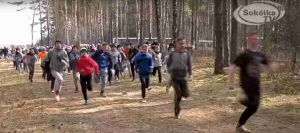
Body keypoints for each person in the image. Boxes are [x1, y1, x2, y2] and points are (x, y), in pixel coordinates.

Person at [228, 33, 278, 133]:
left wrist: (273, 67)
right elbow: (233, 67)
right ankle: (240, 120)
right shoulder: (244, 55)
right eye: (251, 40)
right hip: (246, 85)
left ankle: (240, 123)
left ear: (258, 41)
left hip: (256, 84)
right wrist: (231, 83)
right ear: (248, 41)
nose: (254, 41)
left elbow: (267, 66)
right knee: (253, 105)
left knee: (254, 107)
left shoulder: (260, 55)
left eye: (255, 39)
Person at [167, 38, 192, 119]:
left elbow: (189, 65)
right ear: (176, 44)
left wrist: (190, 74)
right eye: (180, 43)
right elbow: (168, 64)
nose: (182, 45)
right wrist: (169, 71)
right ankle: (177, 111)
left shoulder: (186, 54)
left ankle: (177, 99)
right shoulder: (173, 54)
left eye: (183, 43)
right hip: (174, 77)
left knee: (186, 94)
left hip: (183, 78)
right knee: (178, 95)